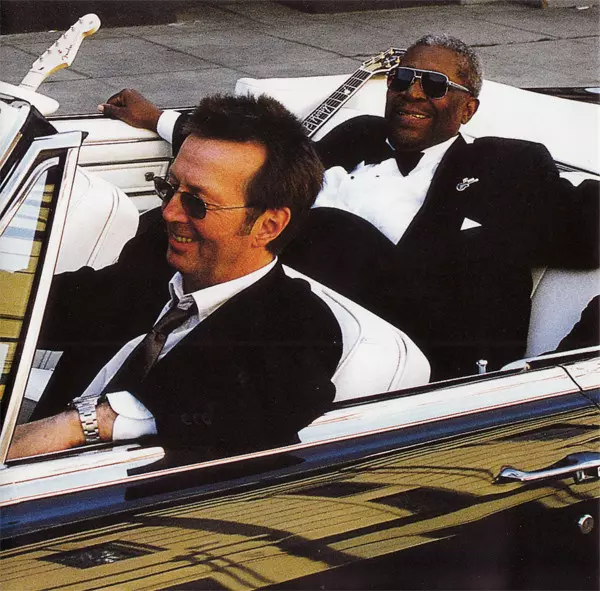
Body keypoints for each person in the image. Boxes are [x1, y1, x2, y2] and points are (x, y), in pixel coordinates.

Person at [97, 34, 598, 380]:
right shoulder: (356, 135)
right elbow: (264, 165)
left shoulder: (508, 165)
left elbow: (585, 225)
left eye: (434, 85)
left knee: (325, 231)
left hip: (401, 346)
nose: (412, 93)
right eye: (402, 79)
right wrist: (160, 120)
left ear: (468, 108)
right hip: (267, 306)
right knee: (177, 216)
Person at [9, 94, 343, 461]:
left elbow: (258, 405)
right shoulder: (158, 257)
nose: (169, 212)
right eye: (169, 188)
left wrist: (84, 423)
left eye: (197, 202)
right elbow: (64, 302)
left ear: (268, 225)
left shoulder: (300, 326)